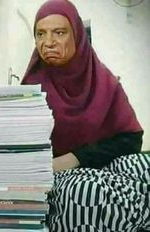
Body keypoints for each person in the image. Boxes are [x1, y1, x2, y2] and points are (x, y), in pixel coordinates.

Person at [21, 0, 150, 231]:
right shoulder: (31, 89)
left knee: (144, 167)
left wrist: (76, 158)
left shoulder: (104, 82)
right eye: (41, 34)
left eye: (59, 33)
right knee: (88, 191)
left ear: (77, 36)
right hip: (55, 175)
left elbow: (131, 139)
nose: (48, 42)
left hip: (100, 164)